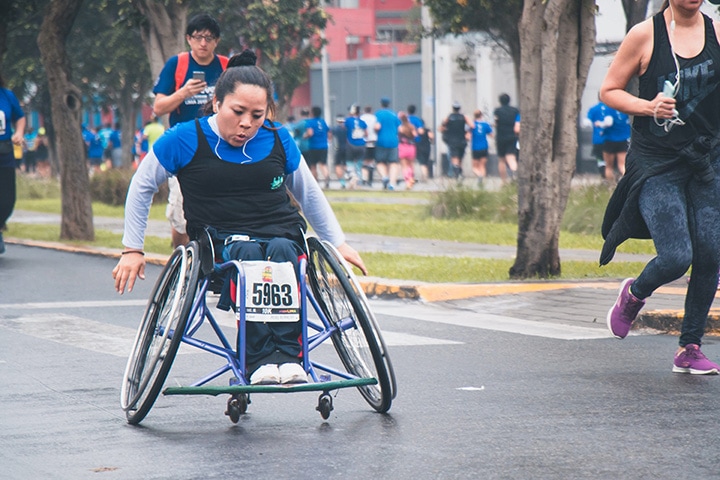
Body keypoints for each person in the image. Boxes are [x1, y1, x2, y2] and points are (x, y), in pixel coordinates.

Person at [112, 50, 367, 386]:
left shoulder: (277, 138)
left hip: (280, 232)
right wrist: (133, 249)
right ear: (217, 103)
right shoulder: (186, 138)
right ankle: (260, 357)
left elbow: (309, 192)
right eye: (238, 112)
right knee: (247, 256)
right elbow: (142, 185)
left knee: (284, 251)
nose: (247, 123)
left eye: (257, 115)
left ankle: (289, 356)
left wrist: (338, 242)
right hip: (220, 240)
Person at [600, 0, 720, 374]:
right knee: (675, 256)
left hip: (705, 160)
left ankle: (690, 347)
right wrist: (647, 106)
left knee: (711, 252)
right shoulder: (644, 35)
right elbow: (609, 90)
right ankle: (633, 294)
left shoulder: (717, 32)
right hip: (657, 162)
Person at [151, 13, 228, 248]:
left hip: (220, 147)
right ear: (189, 39)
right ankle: (181, 257)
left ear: (216, 41)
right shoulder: (177, 65)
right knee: (181, 215)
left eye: (209, 38)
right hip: (184, 149)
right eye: (198, 37)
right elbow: (158, 107)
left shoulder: (226, 66)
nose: (203, 43)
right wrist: (183, 93)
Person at [0, 72, 26, 254]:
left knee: (8, 198)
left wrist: (19, 133)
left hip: (5, 152)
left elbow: (21, 116)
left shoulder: (6, 95)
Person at [374, 97, 401, 190]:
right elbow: (400, 128)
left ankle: (384, 177)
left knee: (380, 162)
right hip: (393, 141)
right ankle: (392, 183)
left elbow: (377, 127)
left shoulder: (378, 114)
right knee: (393, 163)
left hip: (381, 141)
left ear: (381, 104)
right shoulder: (394, 114)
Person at [441, 101, 472, 181]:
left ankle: (457, 175)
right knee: (460, 159)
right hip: (462, 140)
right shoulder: (463, 117)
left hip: (452, 141)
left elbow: (441, 128)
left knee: (454, 159)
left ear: (453, 108)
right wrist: (468, 132)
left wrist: (446, 129)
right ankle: (460, 174)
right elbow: (472, 125)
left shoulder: (449, 117)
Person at [493, 93, 520, 183]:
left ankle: (504, 181)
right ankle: (515, 171)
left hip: (501, 137)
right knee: (511, 156)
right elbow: (517, 126)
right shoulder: (515, 111)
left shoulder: (497, 111)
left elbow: (495, 122)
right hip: (512, 137)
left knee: (501, 159)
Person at [601, 105, 631, 183]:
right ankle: (626, 183)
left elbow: (608, 122)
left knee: (609, 166)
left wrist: (600, 124)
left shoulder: (608, 108)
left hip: (610, 139)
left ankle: (611, 185)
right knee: (622, 165)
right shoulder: (623, 109)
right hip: (623, 139)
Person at [303, 106, 331, 188]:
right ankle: (326, 177)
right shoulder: (323, 121)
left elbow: (310, 133)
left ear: (312, 113)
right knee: (323, 164)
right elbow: (329, 133)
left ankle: (315, 182)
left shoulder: (310, 122)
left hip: (314, 146)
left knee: (313, 165)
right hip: (324, 146)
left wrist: (305, 136)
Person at [344, 104, 367, 188]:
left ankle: (353, 177)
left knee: (349, 162)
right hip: (361, 145)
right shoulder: (362, 122)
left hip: (351, 144)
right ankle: (359, 181)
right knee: (359, 164)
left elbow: (344, 129)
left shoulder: (348, 120)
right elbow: (366, 133)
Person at [471, 109, 493, 187]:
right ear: (481, 115)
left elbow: (468, 135)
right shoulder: (485, 124)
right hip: (484, 147)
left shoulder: (472, 125)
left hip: (475, 147)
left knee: (474, 167)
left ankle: (479, 175)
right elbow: (491, 135)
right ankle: (482, 182)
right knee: (482, 165)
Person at [587, 98, 608, 177]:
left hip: (598, 139)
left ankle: (603, 175)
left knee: (600, 158)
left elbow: (587, 122)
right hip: (612, 139)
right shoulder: (613, 109)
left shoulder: (593, 109)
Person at [397, 111, 418, 189]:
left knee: (404, 166)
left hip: (402, 147)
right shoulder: (412, 126)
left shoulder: (400, 128)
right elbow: (415, 135)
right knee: (411, 165)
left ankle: (408, 181)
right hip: (411, 147)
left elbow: (398, 136)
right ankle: (411, 178)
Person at [360, 105, 377, 186]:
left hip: (364, 141)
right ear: (371, 110)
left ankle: (364, 178)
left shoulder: (361, 118)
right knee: (371, 161)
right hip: (373, 141)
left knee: (364, 161)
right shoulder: (374, 118)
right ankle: (370, 180)